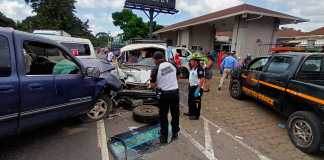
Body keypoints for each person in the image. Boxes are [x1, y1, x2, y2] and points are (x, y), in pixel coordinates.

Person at [149, 51, 180, 144]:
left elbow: (152, 85)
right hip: (175, 93)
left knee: (163, 116)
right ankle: (175, 133)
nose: (153, 61)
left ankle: (164, 136)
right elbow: (178, 76)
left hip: (164, 94)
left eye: (153, 60)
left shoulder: (155, 68)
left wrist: (156, 85)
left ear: (156, 59)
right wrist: (170, 82)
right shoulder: (173, 64)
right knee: (175, 114)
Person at [184, 54, 205, 120]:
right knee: (190, 101)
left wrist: (198, 89)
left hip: (197, 88)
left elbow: (202, 79)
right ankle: (191, 112)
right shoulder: (192, 68)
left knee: (196, 101)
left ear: (196, 62)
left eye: (191, 61)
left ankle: (196, 115)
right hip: (191, 87)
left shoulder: (199, 68)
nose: (190, 62)